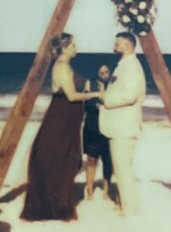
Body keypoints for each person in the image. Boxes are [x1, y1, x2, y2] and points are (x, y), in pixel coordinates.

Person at [21, 34, 99, 222]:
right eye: (73, 45)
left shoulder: (65, 66)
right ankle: (55, 205)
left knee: (64, 159)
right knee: (59, 159)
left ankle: (56, 202)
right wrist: (97, 94)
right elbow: (71, 96)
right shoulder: (62, 67)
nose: (76, 48)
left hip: (68, 119)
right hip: (61, 117)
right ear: (63, 48)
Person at [99, 32, 147, 216]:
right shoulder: (124, 64)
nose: (114, 46)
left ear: (128, 45)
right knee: (121, 167)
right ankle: (124, 205)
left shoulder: (131, 66)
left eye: (118, 43)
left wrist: (106, 99)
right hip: (121, 125)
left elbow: (130, 95)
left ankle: (129, 210)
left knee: (123, 168)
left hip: (124, 126)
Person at [83, 64, 114, 200]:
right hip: (92, 127)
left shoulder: (113, 86)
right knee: (91, 159)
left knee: (108, 160)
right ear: (97, 74)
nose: (104, 75)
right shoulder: (90, 84)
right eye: (101, 72)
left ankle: (106, 190)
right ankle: (89, 189)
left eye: (106, 72)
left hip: (108, 128)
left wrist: (103, 100)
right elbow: (86, 105)